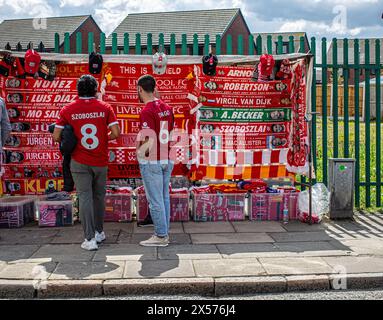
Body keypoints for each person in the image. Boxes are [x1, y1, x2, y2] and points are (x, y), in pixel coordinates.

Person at [53, 74, 120, 251]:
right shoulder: (105, 107)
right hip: (100, 160)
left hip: (79, 160)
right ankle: (99, 232)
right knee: (99, 197)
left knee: (85, 197)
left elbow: (56, 136)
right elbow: (115, 132)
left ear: (78, 90)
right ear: (96, 89)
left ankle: (89, 239)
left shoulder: (68, 109)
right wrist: (103, 138)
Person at [136, 75, 174, 247]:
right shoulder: (167, 107)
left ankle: (160, 235)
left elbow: (148, 138)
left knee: (155, 199)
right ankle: (164, 231)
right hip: (167, 156)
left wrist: (141, 155)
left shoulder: (146, 111)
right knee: (164, 197)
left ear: (140, 89)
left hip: (153, 159)